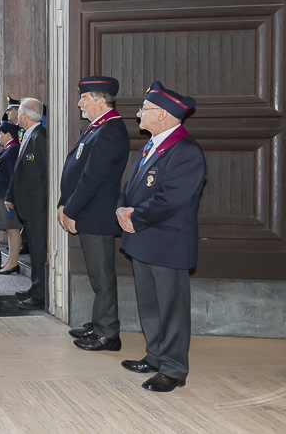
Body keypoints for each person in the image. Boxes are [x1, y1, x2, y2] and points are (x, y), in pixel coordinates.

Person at [117, 81, 205, 393]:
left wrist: (134, 217)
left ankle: (174, 369)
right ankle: (155, 355)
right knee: (150, 304)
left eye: (145, 108)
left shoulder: (186, 151)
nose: (138, 113)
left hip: (167, 242)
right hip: (143, 239)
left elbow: (171, 199)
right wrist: (121, 209)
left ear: (164, 114)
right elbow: (130, 187)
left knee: (172, 308)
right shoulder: (152, 145)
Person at [59, 76, 129, 352]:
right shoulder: (97, 128)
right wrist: (63, 203)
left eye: (84, 98)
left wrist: (70, 210)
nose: (80, 103)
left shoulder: (110, 131)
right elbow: (75, 169)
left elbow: (92, 178)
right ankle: (99, 323)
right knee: (96, 275)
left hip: (97, 214)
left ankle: (108, 332)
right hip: (87, 211)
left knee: (102, 276)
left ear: (101, 101)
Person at [6, 98, 48, 310]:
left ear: (24, 115)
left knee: (39, 251)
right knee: (34, 250)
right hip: (29, 208)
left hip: (38, 208)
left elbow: (46, 174)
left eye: (18, 113)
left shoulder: (40, 137)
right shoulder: (29, 135)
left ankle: (40, 294)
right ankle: (35, 287)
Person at [0, 121, 23, 274]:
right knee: (9, 229)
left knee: (13, 229)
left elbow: (14, 176)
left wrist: (9, 197)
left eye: (0, 134)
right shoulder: (8, 149)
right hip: (0, 196)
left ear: (9, 134)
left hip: (6, 197)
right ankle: (10, 261)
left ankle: (14, 263)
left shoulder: (13, 149)